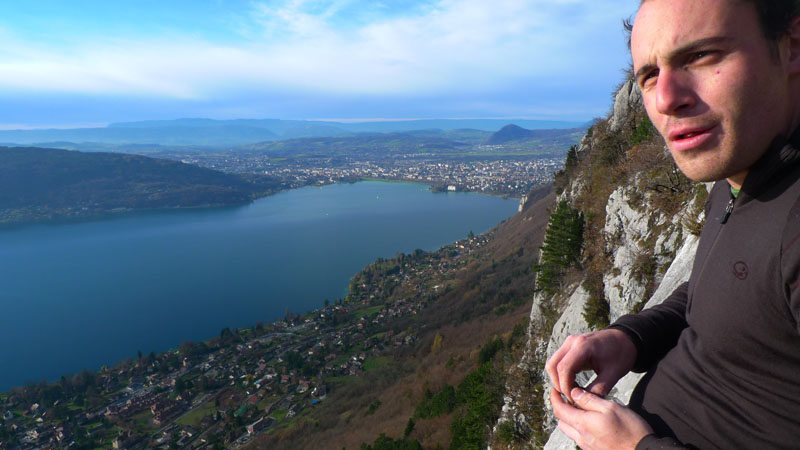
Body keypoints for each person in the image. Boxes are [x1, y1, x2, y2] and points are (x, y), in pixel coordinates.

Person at [545, 0, 800, 449]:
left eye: (699, 56)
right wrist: (627, 338)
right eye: (648, 76)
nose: (665, 99)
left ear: (792, 47)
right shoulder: (741, 173)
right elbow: (718, 292)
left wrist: (634, 447)